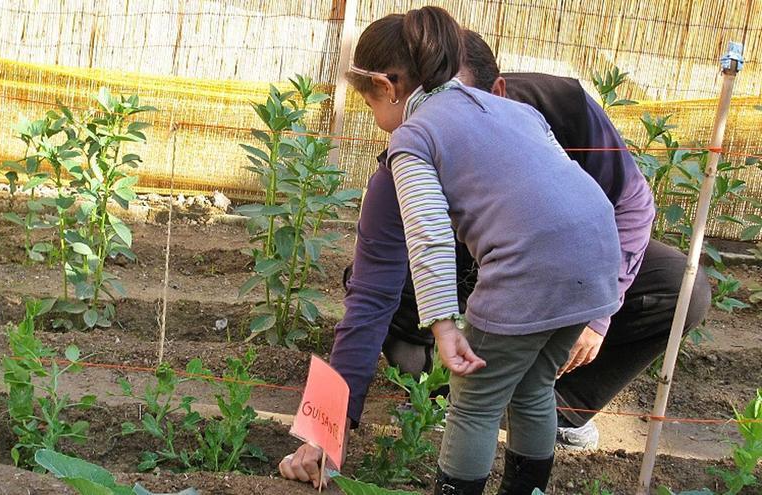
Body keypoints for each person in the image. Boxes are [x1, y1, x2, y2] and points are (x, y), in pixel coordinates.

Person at [280, 21, 711, 494]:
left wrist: (444, 327)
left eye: (370, 104)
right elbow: (573, 186)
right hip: (596, 262)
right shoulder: (517, 114)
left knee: (474, 404)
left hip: (525, 270)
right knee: (533, 389)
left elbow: (430, 241)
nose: (377, 119)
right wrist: (330, 424)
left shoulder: (414, 137)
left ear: (386, 87)